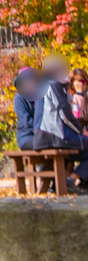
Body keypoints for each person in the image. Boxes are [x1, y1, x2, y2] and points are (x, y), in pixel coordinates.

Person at [34, 54, 88, 186]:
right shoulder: (53, 85)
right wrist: (81, 131)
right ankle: (71, 178)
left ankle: (73, 179)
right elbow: (66, 115)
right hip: (53, 136)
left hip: (44, 135)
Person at [14, 66, 45, 150]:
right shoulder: (19, 99)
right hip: (26, 137)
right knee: (47, 145)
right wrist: (40, 132)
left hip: (41, 136)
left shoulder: (40, 97)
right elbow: (26, 121)